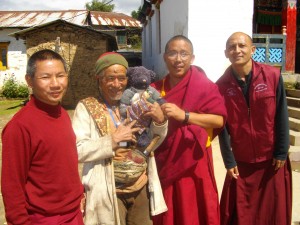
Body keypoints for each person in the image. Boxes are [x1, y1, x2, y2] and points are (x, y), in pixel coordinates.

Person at [71, 52, 168, 225]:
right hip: (109, 192)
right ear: (99, 79)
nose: (117, 84)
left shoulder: (138, 103)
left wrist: (160, 122)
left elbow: (154, 142)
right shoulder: (86, 107)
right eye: (110, 78)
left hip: (140, 188)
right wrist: (111, 141)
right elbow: (77, 151)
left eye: (121, 78)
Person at [216, 32, 292, 225]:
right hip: (241, 160)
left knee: (272, 212)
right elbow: (222, 126)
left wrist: (281, 152)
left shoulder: (272, 76)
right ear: (226, 53)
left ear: (252, 50)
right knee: (240, 214)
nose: (237, 50)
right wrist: (228, 159)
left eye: (242, 46)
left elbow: (282, 114)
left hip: (271, 158)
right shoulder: (221, 86)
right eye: (232, 47)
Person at [1, 49, 84, 225]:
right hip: (44, 218)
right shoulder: (20, 126)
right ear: (29, 80)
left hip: (74, 213)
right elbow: (12, 186)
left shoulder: (61, 113)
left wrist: (77, 194)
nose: (55, 84)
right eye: (45, 77)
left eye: (60, 75)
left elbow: (62, 165)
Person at [151, 35, 227, 225]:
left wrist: (184, 115)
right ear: (165, 57)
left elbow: (218, 120)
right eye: (173, 53)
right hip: (165, 160)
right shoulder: (154, 89)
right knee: (168, 210)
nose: (178, 59)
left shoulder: (204, 86)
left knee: (196, 210)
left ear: (192, 58)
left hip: (194, 161)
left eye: (184, 54)